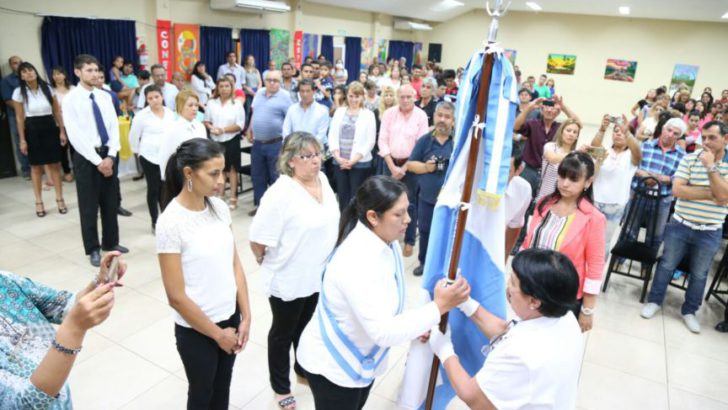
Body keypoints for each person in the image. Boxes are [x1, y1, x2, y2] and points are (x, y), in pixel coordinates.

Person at [296, 175, 471, 410]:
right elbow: (383, 332)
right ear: (372, 217)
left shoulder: (385, 242)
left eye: (407, 211)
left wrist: (416, 324)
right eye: (398, 214)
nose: (408, 220)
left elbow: (388, 302)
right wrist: (438, 307)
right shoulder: (355, 261)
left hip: (358, 357)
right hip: (334, 365)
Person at [157, 138, 252, 409]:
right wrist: (218, 335)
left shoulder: (219, 208)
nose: (221, 180)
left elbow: (234, 264)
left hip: (229, 317)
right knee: (202, 393)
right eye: (213, 173)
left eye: (222, 172)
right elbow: (176, 296)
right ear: (189, 173)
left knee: (222, 389)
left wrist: (246, 315)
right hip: (197, 329)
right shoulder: (170, 223)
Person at [249, 132, 339, 410]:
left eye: (317, 155)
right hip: (288, 276)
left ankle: (303, 369)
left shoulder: (322, 180)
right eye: (307, 156)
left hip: (317, 275)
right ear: (290, 162)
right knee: (282, 333)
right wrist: (265, 259)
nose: (315, 161)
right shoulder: (280, 193)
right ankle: (280, 386)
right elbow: (257, 240)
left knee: (307, 326)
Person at [428, 248, 583, 410]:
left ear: (534, 301)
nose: (507, 287)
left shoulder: (520, 353)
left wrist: (443, 348)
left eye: (513, 283)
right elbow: (506, 330)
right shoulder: (564, 317)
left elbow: (472, 395)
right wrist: (465, 303)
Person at [0, 252, 125, 409]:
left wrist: (98, 281)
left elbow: (62, 305)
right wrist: (73, 330)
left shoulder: (5, 281)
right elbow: (21, 405)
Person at [640, 121, 728, 334]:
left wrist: (711, 168)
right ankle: (654, 301)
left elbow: (724, 196)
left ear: (725, 139)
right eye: (704, 137)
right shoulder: (689, 158)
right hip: (680, 223)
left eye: (712, 138)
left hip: (710, 230)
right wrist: (713, 193)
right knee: (667, 265)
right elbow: (678, 190)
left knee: (699, 273)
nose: (705, 142)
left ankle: (689, 311)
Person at [522, 152, 606, 332]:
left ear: (588, 182)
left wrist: (587, 309)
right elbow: (528, 243)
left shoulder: (594, 218)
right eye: (562, 176)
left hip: (563, 296)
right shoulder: (544, 204)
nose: (565, 183)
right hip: (531, 287)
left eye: (573, 179)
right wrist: (517, 279)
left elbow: (595, 265)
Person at [62, 54, 128, 267]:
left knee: (110, 202)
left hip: (107, 154)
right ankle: (93, 248)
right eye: (88, 70)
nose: (93, 74)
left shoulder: (104, 96)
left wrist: (110, 156)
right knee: (89, 205)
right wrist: (97, 160)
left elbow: (113, 127)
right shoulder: (71, 99)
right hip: (86, 157)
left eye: (95, 70)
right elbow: (75, 135)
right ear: (77, 72)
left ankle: (112, 242)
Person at [377, 84, 429, 257]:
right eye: (402, 97)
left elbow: (421, 145)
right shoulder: (389, 113)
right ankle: (386, 236)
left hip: (411, 166)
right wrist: (392, 166)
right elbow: (382, 140)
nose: (405, 100)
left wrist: (404, 168)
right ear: (398, 97)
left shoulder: (421, 116)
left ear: (415, 97)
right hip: (389, 163)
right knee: (386, 201)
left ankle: (409, 240)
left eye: (409, 97)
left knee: (410, 204)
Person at [12, 62, 68, 217]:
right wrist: (22, 139)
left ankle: (60, 199)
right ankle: (39, 202)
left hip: (49, 126)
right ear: (21, 76)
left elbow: (56, 111)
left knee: (55, 165)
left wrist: (61, 131)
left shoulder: (48, 88)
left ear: (35, 72)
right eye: (24, 72)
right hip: (31, 128)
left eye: (30, 70)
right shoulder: (18, 92)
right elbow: (19, 118)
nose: (28, 73)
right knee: (36, 167)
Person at [407, 101, 455, 276]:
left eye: (447, 117)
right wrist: (426, 167)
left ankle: (446, 265)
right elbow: (410, 165)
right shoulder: (424, 141)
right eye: (439, 115)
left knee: (448, 233)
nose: (442, 120)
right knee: (426, 231)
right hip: (427, 197)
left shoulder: (458, 142)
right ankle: (424, 262)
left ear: (453, 121)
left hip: (451, 199)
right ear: (434, 116)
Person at [628, 117, 686, 245]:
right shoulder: (644, 146)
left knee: (655, 237)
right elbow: (631, 167)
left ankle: (646, 265)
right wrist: (642, 174)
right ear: (663, 129)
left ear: (679, 137)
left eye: (675, 133)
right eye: (668, 130)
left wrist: (668, 179)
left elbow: (682, 177)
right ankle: (619, 263)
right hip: (639, 195)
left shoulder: (682, 155)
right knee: (629, 232)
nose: (670, 135)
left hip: (662, 200)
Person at [591, 114, 641, 255]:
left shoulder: (631, 155)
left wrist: (627, 132)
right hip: (595, 202)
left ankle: (596, 275)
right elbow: (593, 147)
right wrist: (602, 129)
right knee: (588, 238)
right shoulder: (605, 149)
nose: (618, 134)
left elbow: (638, 155)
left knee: (603, 243)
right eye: (616, 131)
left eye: (622, 131)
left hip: (615, 206)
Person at [129, 85, 176, 233]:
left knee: (167, 188)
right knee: (154, 188)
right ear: (146, 100)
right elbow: (133, 137)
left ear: (162, 97)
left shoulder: (170, 113)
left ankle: (167, 218)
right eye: (150, 98)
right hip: (149, 157)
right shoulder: (141, 116)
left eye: (157, 97)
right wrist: (138, 154)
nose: (154, 100)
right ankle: (154, 221)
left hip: (167, 156)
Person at [246, 70, 293, 216]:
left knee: (275, 177)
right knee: (257, 176)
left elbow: (289, 119)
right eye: (269, 80)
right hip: (257, 143)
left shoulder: (285, 97)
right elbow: (255, 113)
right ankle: (261, 207)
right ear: (264, 81)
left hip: (276, 144)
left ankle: (276, 210)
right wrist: (249, 129)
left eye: (275, 80)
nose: (272, 83)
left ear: (279, 82)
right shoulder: (259, 93)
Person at [514, 95, 580, 197]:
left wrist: (564, 107)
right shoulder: (533, 124)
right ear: (541, 108)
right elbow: (516, 126)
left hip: (550, 175)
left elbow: (578, 124)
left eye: (553, 107)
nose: (549, 110)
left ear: (558, 111)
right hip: (529, 170)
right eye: (547, 106)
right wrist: (529, 107)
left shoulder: (560, 128)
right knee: (520, 198)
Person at [329, 82, 377, 209]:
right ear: (346, 96)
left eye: (357, 96)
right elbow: (332, 136)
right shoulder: (339, 112)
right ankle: (344, 224)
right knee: (342, 197)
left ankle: (356, 225)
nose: (354, 99)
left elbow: (370, 141)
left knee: (357, 198)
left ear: (362, 97)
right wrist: (338, 158)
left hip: (360, 163)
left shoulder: (369, 114)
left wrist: (353, 160)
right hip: (340, 162)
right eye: (351, 96)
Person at [204, 77, 246, 210]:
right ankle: (220, 194)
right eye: (221, 86)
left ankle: (233, 196)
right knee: (219, 169)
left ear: (231, 87)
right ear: (217, 88)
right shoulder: (211, 103)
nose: (224, 89)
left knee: (232, 169)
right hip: (215, 140)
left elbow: (240, 125)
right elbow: (206, 120)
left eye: (227, 86)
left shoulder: (237, 104)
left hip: (231, 139)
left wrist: (223, 130)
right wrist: (212, 128)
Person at [158, 90, 207, 182]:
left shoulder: (200, 126)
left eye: (196, 105)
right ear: (180, 106)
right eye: (190, 105)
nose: (194, 108)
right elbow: (164, 155)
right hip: (180, 175)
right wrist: (166, 178)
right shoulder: (172, 128)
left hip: (199, 173)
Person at [535, 118, 582, 202]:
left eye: (575, 132)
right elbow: (552, 159)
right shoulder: (550, 146)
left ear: (577, 137)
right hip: (545, 197)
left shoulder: (576, 155)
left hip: (563, 200)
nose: (571, 134)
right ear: (561, 131)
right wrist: (574, 153)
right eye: (568, 130)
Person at [2, 55, 29, 179]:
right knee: (21, 141)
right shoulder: (6, 81)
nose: (18, 64)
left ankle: (37, 166)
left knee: (33, 140)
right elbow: (8, 100)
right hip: (16, 115)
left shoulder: (28, 77)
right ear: (10, 65)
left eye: (20, 62)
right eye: (14, 63)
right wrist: (25, 108)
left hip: (32, 115)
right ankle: (26, 170)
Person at [282, 79, 330, 147]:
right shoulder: (292, 109)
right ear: (299, 92)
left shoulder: (322, 111)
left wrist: (307, 148)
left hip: (315, 149)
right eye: (302, 91)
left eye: (308, 91)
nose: (305, 94)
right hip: (294, 148)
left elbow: (321, 135)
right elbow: (286, 130)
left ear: (314, 91)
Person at [505, 148, 533, 261]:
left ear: (518, 170)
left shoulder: (523, 190)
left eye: (506, 171)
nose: (497, 176)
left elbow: (514, 226)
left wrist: (504, 258)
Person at [50, 65, 76, 183]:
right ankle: (66, 172)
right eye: (54, 74)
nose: (57, 76)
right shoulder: (51, 90)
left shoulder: (73, 89)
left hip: (74, 123)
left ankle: (78, 170)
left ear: (64, 75)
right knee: (62, 150)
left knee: (75, 149)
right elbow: (52, 109)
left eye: (59, 73)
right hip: (59, 124)